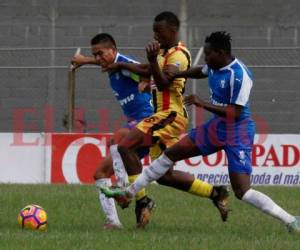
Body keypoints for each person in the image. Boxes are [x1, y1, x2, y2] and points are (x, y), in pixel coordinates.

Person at [101, 31, 300, 234]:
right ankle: (128, 193)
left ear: (221, 53)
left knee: (243, 191)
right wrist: (177, 74)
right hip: (216, 127)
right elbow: (200, 71)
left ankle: (291, 220)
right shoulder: (215, 65)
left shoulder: (240, 74)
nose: (205, 58)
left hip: (237, 131)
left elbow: (235, 112)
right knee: (169, 155)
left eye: (208, 54)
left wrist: (201, 103)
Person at [101, 12, 230, 223]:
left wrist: (152, 61)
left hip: (170, 115)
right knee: (164, 176)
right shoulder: (162, 52)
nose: (155, 35)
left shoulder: (179, 55)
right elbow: (146, 69)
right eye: (153, 31)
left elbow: (162, 82)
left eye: (158, 31)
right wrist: (122, 65)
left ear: (172, 31)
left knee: (125, 147)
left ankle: (142, 201)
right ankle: (215, 193)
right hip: (161, 116)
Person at [71, 33, 155, 229]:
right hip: (135, 128)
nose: (98, 58)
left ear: (113, 50)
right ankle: (113, 222)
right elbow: (105, 62)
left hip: (148, 121)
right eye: (95, 54)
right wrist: (85, 60)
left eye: (100, 53)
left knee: (116, 140)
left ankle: (124, 190)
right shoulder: (110, 65)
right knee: (100, 173)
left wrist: (144, 80)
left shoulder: (125, 65)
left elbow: (147, 70)